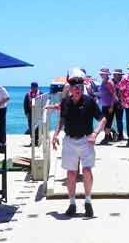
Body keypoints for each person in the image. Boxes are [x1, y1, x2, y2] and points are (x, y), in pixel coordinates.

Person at [52, 68, 106, 217]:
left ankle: (88, 201)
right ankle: (72, 203)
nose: (78, 90)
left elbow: (103, 119)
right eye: (75, 88)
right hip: (69, 141)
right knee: (71, 173)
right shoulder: (65, 102)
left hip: (86, 141)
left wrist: (95, 133)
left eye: (80, 88)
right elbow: (62, 120)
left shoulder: (89, 102)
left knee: (87, 170)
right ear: (70, 89)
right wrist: (55, 135)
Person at [97, 68, 117, 145]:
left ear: (107, 74)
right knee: (104, 121)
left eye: (102, 74)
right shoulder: (103, 82)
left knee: (107, 122)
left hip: (109, 105)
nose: (101, 75)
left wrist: (111, 107)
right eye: (100, 74)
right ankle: (111, 134)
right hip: (104, 105)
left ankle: (107, 137)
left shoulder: (109, 83)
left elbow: (113, 95)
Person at [23, 81, 40, 147]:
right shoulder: (28, 95)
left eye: (34, 87)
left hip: (38, 114)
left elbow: (43, 104)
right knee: (31, 128)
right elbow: (25, 105)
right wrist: (26, 113)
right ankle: (32, 140)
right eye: (32, 87)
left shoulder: (41, 94)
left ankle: (37, 141)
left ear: (37, 87)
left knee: (37, 128)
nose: (33, 88)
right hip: (30, 114)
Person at [112, 69, 125, 141]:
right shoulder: (111, 82)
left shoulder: (123, 82)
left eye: (117, 74)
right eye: (115, 74)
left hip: (119, 104)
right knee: (109, 120)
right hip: (111, 103)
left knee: (119, 120)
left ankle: (120, 134)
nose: (115, 76)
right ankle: (112, 133)